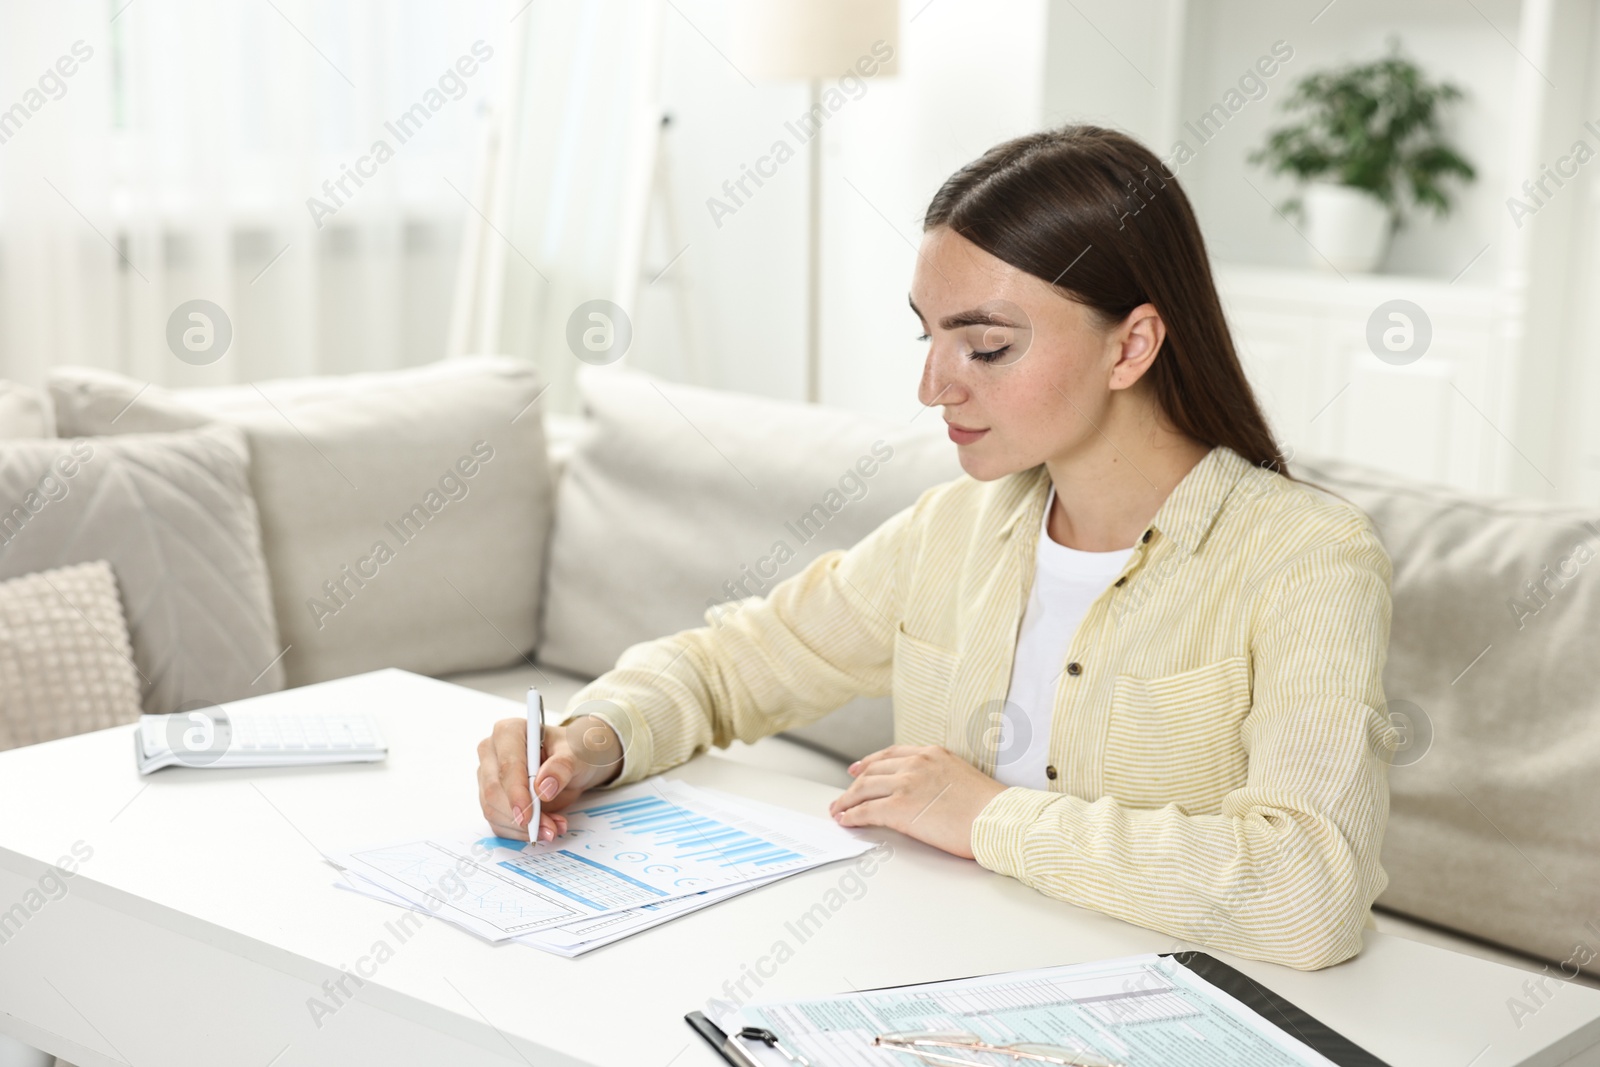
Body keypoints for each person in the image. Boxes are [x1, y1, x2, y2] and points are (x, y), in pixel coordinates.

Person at [475, 124, 1397, 971]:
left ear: (1133, 346)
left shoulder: (1308, 559)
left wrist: (989, 818)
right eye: (929, 336)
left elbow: (1309, 887)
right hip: (933, 990)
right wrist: (589, 739)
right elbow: (730, 666)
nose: (931, 385)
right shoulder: (956, 528)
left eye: (985, 346)